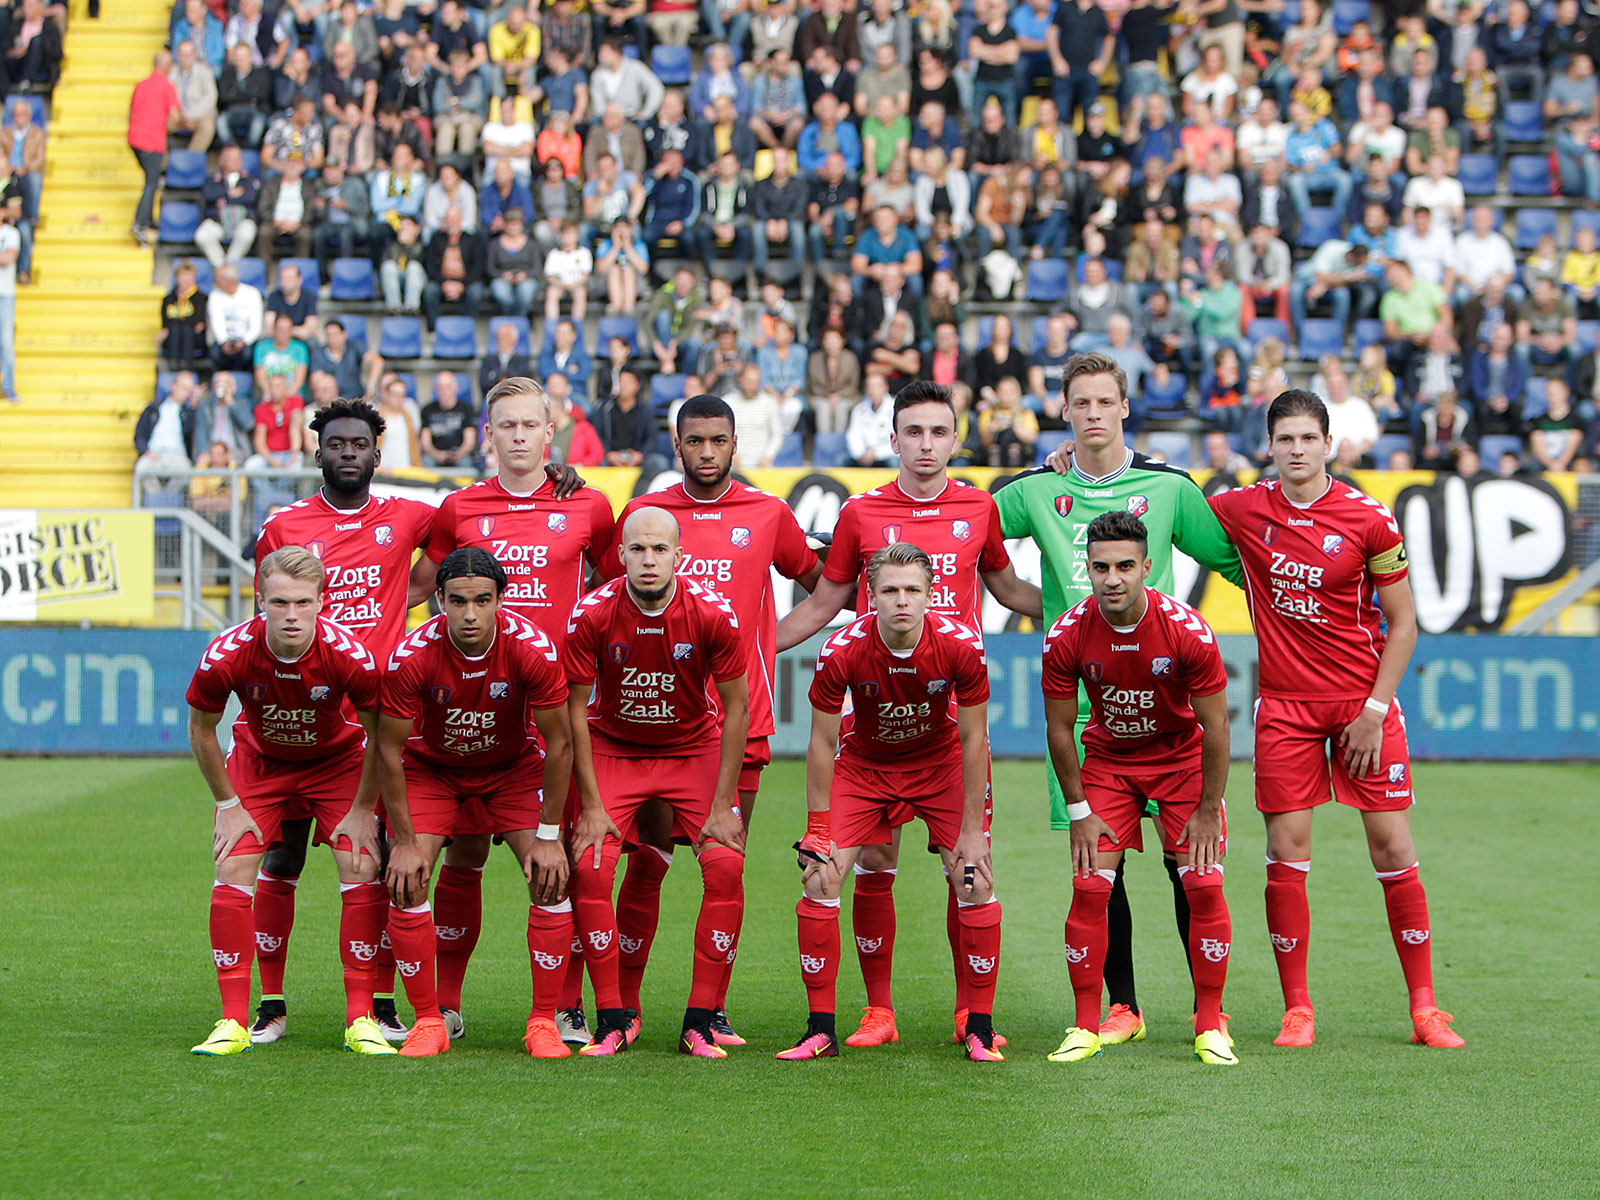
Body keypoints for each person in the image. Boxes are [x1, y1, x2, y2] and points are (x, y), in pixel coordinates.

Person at [776, 381, 1041, 1048]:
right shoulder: (862, 512)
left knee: (969, 872)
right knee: (872, 866)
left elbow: (1008, 589)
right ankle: (878, 1012)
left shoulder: (979, 507)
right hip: (875, 723)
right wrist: (752, 652)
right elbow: (825, 602)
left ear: (956, 440)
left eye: (938, 432)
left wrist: (1085, 604)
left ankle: (969, 1015)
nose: (926, 444)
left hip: (951, 725)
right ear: (893, 439)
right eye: (913, 432)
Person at [1208, 389, 1465, 1050]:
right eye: (1284, 439)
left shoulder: (1370, 521)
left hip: (1362, 704)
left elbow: (1404, 624)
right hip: (1287, 710)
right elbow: (1171, 508)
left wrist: (1376, 711)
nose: (1296, 450)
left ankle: (1426, 1008)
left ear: (1329, 444)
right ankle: (1298, 1008)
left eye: (1307, 438)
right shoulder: (1242, 507)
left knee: (1393, 847)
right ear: (1270, 445)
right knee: (1286, 850)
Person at [1014, 352, 1244, 1044]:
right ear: (1064, 410)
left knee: (1188, 870)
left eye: (1103, 402)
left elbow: (1235, 561)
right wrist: (1035, 602)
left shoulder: (1169, 488)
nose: (1091, 414)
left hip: (1168, 710)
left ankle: (1210, 1013)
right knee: (1096, 874)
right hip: (1086, 716)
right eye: (1079, 402)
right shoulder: (1033, 491)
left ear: (1123, 409)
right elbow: (969, 540)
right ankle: (1123, 1008)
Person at [596, 396, 822, 1046]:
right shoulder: (649, 516)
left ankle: (709, 1010)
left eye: (717, 440)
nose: (706, 451)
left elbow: (824, 587)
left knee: (723, 860)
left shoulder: (767, 512)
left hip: (732, 725)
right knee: (646, 863)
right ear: (677, 443)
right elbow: (605, 585)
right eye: (694, 440)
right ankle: (627, 1008)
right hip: (650, 723)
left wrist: (763, 644)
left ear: (733, 443)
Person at [249, 400, 439, 1038]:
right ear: (318, 451)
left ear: (377, 453)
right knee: (282, 859)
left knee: (377, 856)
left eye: (360, 443)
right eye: (337, 444)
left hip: (379, 720)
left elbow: (461, 535)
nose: (349, 453)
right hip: (302, 714)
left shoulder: (407, 515)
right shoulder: (285, 525)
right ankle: (270, 1003)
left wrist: (401, 593)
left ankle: (378, 1002)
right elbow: (268, 611)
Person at [779, 541, 1001, 1062]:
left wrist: (972, 831)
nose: (901, 600)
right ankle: (828, 1027)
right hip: (865, 768)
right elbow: (821, 743)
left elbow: (974, 741)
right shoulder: (843, 649)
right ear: (870, 596)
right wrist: (817, 829)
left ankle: (979, 1026)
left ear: (930, 595)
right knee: (820, 875)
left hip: (941, 766)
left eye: (912, 590)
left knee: (973, 879)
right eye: (890, 590)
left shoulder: (961, 645)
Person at [1042, 512, 1236, 1066]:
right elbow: (1060, 727)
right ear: (1088, 567)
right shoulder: (1067, 634)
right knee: (1090, 884)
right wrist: (1078, 810)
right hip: (1110, 764)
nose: (1112, 578)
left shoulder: (1187, 629)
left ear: (1147, 567)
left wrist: (1205, 810)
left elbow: (1217, 727)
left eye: (1126, 566)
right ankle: (1087, 1024)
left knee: (1201, 883)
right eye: (1100, 567)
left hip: (1180, 762)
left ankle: (1210, 1023)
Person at [374, 547, 583, 1058]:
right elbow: (388, 748)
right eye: (459, 601)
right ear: (438, 600)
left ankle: (542, 1021)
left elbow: (560, 743)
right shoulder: (412, 655)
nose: (470, 614)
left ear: (501, 600)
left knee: (551, 877)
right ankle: (429, 1021)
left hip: (512, 771)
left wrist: (552, 836)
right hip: (434, 772)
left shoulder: (532, 649)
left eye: (483, 601)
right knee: (406, 879)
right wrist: (403, 841)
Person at [184, 546, 391, 1056]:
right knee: (233, 867)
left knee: (360, 863)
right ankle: (233, 1020)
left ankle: (360, 1018)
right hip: (261, 763)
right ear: (260, 600)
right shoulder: (227, 652)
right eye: (279, 603)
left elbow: (381, 734)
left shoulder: (349, 655)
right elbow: (201, 728)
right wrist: (228, 804)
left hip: (336, 763)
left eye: (302, 602)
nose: (291, 615)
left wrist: (364, 809)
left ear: (323, 601)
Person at [562, 506, 751, 1057]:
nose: (648, 560)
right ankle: (614, 1017)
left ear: (679, 556)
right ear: (620, 556)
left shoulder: (713, 614)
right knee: (593, 867)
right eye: (637, 550)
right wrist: (593, 807)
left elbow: (737, 709)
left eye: (660, 550)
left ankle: (700, 1017)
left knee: (725, 864)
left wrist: (722, 804)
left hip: (691, 749)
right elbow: (575, 710)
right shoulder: (592, 613)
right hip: (615, 749)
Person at [128, 51, 181, 248]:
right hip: (152, 141)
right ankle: (139, 223)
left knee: (151, 177)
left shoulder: (141, 85)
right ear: (168, 66)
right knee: (152, 181)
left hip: (134, 139)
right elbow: (175, 116)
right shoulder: (167, 87)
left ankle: (148, 218)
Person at [208, 264, 265, 373]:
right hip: (225, 339)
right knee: (215, 353)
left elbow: (256, 326)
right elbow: (217, 322)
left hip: (246, 339)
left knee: (246, 354)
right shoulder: (214, 296)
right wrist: (224, 341)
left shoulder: (252, 294)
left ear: (228, 281)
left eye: (217, 279)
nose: (215, 282)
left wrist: (244, 341)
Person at [419, 372, 478, 469]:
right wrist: (436, 454)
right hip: (434, 454)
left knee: (466, 463)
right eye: (440, 387)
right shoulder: (427, 409)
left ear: (456, 388)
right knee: (426, 461)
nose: (443, 391)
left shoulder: (467, 409)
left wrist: (459, 453)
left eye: (447, 387)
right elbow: (425, 442)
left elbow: (470, 441)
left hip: (460, 454)